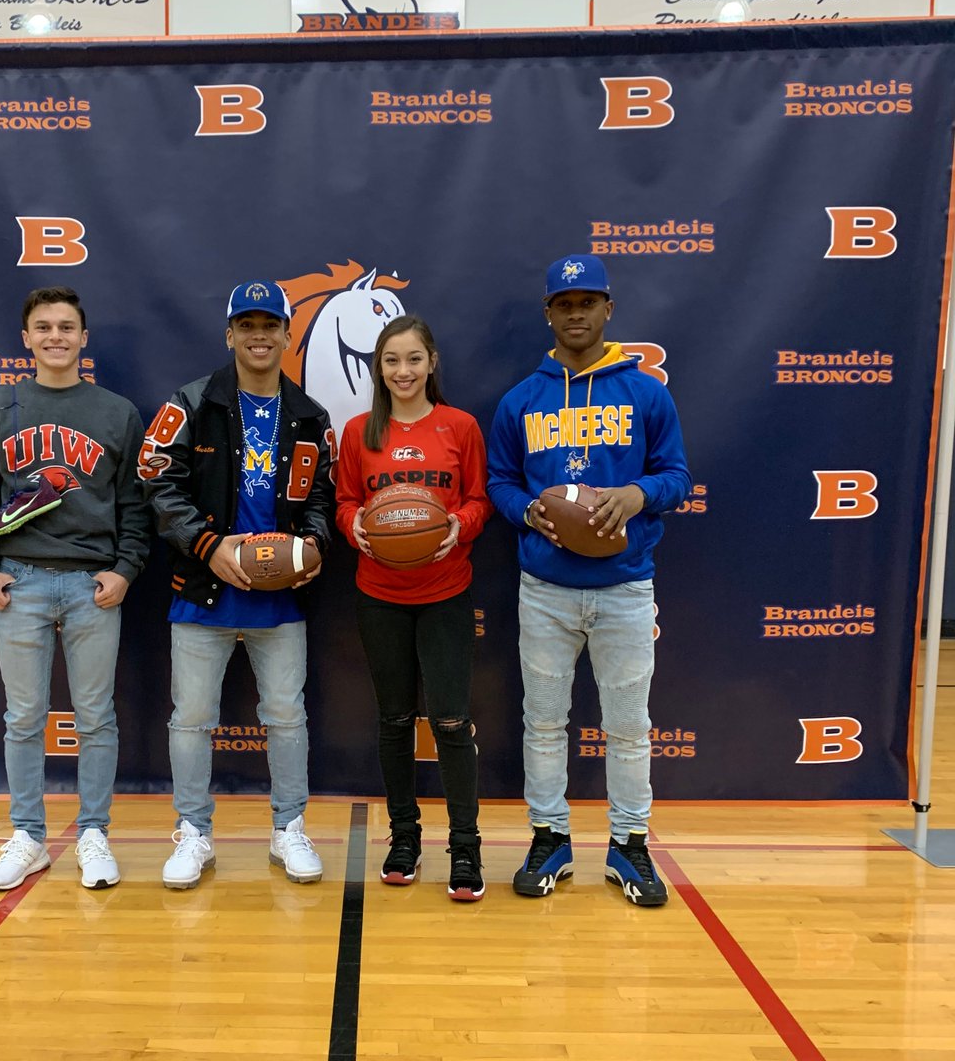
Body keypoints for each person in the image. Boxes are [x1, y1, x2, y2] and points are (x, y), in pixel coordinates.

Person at [486, 256, 691, 906]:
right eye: (564, 303)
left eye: (587, 302)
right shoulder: (522, 400)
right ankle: (550, 837)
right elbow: (499, 481)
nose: (576, 313)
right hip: (545, 589)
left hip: (624, 588)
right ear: (548, 313)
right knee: (544, 722)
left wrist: (638, 493)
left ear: (609, 309)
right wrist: (526, 511)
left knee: (628, 726)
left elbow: (677, 476)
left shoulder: (647, 394)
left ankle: (629, 844)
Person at [141, 280, 334, 890]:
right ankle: (193, 831)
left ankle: (289, 827)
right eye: (246, 325)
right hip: (204, 588)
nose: (259, 335)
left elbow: (322, 499)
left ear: (287, 334)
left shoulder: (310, 415)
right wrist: (208, 545)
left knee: (286, 716)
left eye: (270, 324)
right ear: (229, 335)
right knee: (192, 718)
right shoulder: (191, 402)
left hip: (280, 596)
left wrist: (313, 547)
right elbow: (159, 484)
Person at [0, 286, 149, 892]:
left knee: (95, 717)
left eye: (66, 326)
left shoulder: (117, 412)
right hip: (20, 579)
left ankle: (93, 833)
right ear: (26, 339)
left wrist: (125, 568)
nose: (55, 337)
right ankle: (28, 837)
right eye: (43, 327)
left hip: (92, 583)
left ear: (83, 337)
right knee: (24, 717)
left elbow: (135, 505)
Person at [335, 316, 493, 900]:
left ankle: (466, 847)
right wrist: (355, 526)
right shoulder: (359, 432)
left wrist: (459, 524)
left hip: (446, 593)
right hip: (380, 595)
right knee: (395, 720)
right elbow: (345, 501)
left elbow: (479, 498)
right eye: (391, 361)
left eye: (413, 359)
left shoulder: (460, 426)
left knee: (450, 721)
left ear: (432, 363)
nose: (403, 371)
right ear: (378, 368)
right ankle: (404, 837)